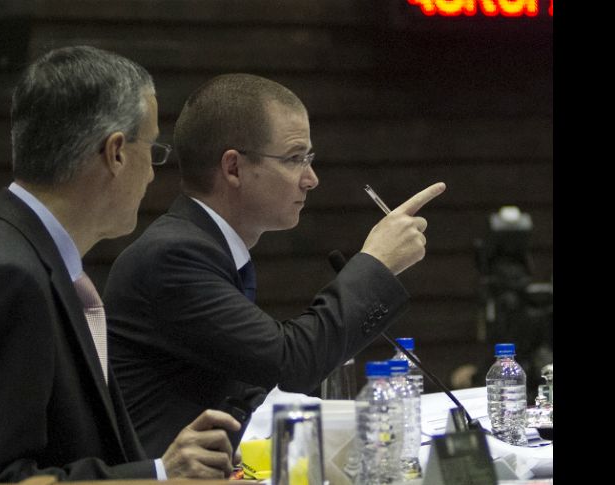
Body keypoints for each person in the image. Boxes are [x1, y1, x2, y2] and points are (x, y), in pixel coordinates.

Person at [0, 46, 241, 485]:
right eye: (152, 149)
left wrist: (158, 469)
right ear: (116, 152)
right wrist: (159, 475)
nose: (152, 173)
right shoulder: (5, 278)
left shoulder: (13, 253)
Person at [103, 73, 446, 457]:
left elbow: (257, 372)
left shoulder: (205, 246)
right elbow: (291, 362)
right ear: (233, 168)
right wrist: (376, 264)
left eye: (309, 159)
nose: (311, 179)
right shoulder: (174, 257)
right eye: (295, 158)